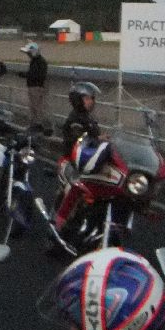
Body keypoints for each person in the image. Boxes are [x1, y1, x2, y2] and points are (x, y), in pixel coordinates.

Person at [53, 81, 103, 232]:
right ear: (78, 100)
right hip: (70, 161)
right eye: (87, 98)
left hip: (86, 162)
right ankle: (60, 220)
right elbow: (79, 140)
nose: (91, 102)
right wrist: (98, 139)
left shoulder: (87, 117)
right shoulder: (75, 119)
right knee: (76, 186)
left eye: (92, 98)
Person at [18, 41, 51, 134]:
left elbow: (36, 75)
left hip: (36, 87)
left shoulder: (39, 62)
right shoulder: (38, 61)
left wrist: (24, 75)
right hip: (35, 86)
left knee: (36, 107)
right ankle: (36, 125)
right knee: (34, 107)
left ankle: (38, 125)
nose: (28, 55)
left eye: (29, 53)